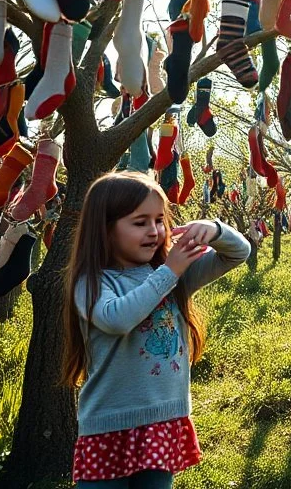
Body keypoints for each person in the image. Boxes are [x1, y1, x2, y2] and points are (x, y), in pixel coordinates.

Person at [61, 171, 250, 489]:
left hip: (161, 422)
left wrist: (215, 229)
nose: (154, 231)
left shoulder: (171, 276)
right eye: (139, 222)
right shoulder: (93, 282)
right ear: (105, 229)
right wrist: (169, 271)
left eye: (159, 220)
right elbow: (117, 318)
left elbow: (239, 253)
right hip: (108, 427)